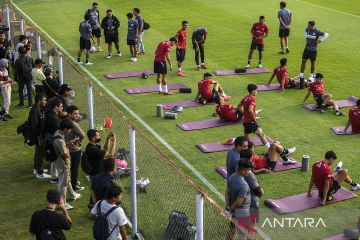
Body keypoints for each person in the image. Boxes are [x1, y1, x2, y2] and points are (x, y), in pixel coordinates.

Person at [53, 119, 81, 210]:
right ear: (65, 129)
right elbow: (65, 154)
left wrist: (72, 141)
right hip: (63, 163)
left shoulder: (58, 133)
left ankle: (72, 195)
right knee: (63, 184)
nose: (69, 132)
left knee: (67, 179)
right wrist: (68, 152)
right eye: (69, 130)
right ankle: (62, 203)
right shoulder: (60, 140)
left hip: (59, 161)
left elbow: (64, 144)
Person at [225, 159, 253, 240]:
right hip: (242, 213)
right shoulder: (244, 185)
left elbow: (227, 192)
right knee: (244, 235)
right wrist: (231, 209)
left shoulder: (232, 176)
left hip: (233, 211)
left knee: (232, 230)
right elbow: (238, 202)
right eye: (249, 170)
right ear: (244, 170)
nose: (249, 172)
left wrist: (228, 206)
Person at [29, 92, 51, 179]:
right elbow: (35, 126)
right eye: (44, 100)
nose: (45, 101)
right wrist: (39, 138)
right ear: (39, 100)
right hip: (39, 136)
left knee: (38, 152)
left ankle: (36, 168)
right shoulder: (35, 110)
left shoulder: (39, 108)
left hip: (40, 135)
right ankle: (39, 173)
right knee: (40, 153)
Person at [65, 105, 85, 191]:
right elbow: (82, 135)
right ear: (69, 114)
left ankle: (73, 182)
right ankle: (74, 185)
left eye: (78, 114)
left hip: (68, 147)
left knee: (71, 168)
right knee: (75, 168)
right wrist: (78, 139)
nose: (77, 115)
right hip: (74, 149)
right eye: (75, 114)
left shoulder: (66, 120)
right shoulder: (73, 124)